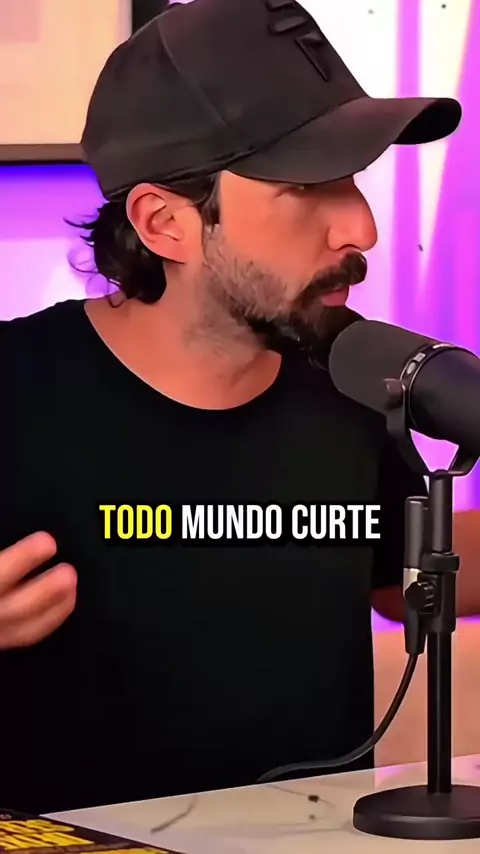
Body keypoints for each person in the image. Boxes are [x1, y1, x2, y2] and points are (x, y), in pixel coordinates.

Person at [0, 0, 475, 817]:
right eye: (308, 186)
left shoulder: (350, 378)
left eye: (353, 179)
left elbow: (406, 578)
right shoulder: (15, 391)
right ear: (165, 223)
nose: (360, 227)